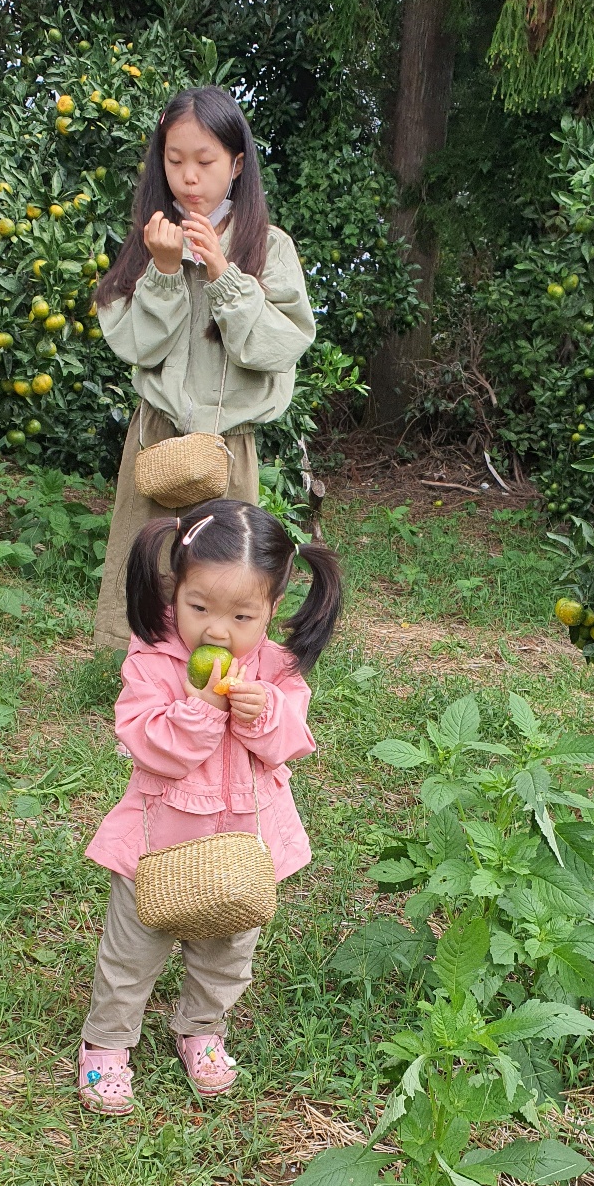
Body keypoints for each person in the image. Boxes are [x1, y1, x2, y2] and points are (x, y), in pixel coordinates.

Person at [79, 498, 343, 1115]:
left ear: (272, 609)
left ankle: (201, 1028)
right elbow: (147, 742)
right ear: (175, 592)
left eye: (242, 615)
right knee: (131, 952)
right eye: (199, 608)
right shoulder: (154, 660)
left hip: (242, 852)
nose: (217, 632)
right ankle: (107, 1042)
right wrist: (200, 708)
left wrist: (264, 712)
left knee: (227, 955)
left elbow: (292, 741)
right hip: (160, 843)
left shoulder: (276, 670)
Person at [93, 85, 316, 651]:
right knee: (150, 562)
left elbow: (278, 346)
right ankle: (142, 670)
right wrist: (165, 270)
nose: (189, 177)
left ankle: (213, 674)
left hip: (226, 446)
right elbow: (135, 345)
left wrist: (223, 275)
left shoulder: (267, 246)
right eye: (174, 161)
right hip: (157, 438)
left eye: (205, 161)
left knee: (220, 572)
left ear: (237, 165)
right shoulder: (151, 240)